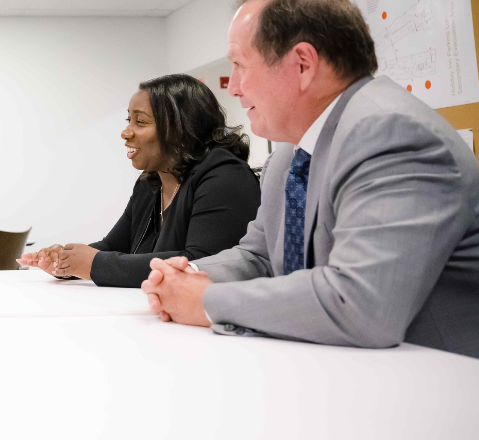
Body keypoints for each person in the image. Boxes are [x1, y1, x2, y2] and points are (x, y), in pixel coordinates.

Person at [141, 0, 479, 358]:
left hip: (437, 382)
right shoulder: (291, 153)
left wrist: (205, 301)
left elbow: (360, 304)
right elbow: (260, 257)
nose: (234, 87)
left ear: (302, 64)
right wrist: (184, 275)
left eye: (240, 65)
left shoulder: (393, 134)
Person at [17, 74, 261, 287]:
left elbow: (201, 263)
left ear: (180, 128)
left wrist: (94, 265)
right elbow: (114, 245)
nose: (126, 132)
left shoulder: (226, 177)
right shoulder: (150, 182)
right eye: (128, 121)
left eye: (141, 122)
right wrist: (67, 262)